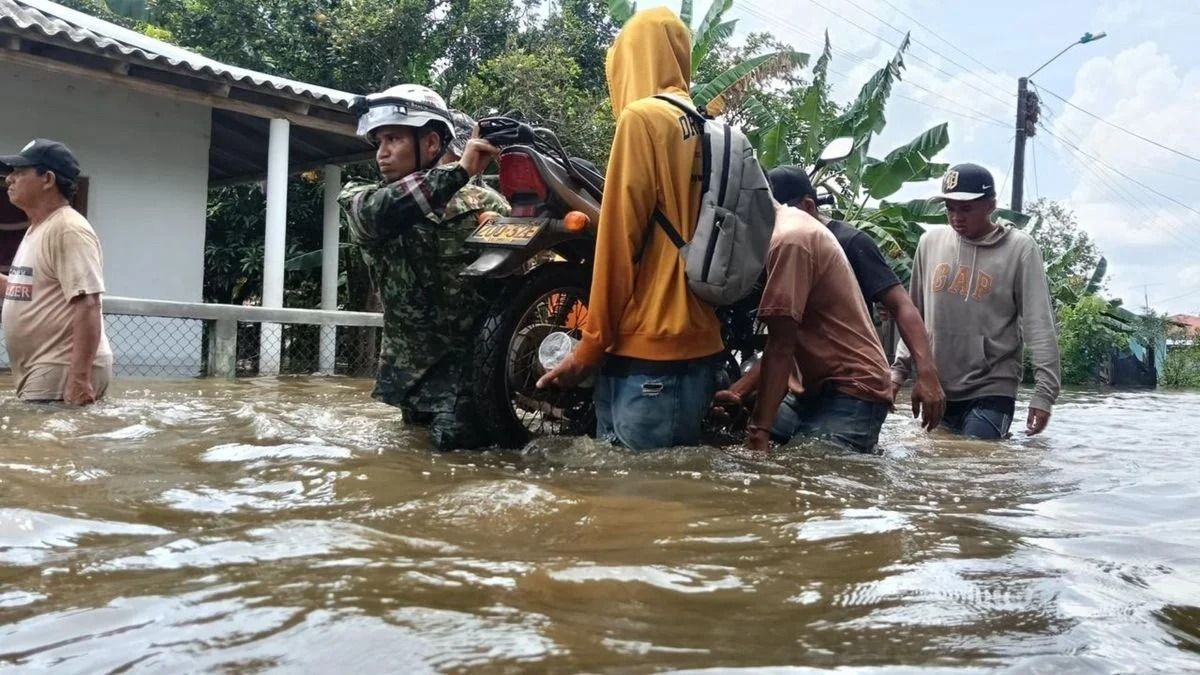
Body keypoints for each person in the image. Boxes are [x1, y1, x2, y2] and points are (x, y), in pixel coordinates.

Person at [536, 7, 724, 451]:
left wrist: (590, 346)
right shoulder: (710, 128)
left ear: (631, 59)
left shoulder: (642, 119)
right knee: (669, 504)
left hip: (646, 351)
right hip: (699, 348)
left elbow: (618, 243)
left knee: (631, 501)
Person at [341, 84, 510, 450]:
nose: (382, 153)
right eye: (379, 142)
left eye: (393, 139)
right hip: (410, 380)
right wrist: (459, 171)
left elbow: (527, 284)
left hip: (472, 379)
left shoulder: (484, 204)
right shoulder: (364, 201)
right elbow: (385, 210)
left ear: (431, 144)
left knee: (452, 470)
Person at [767, 166, 945, 431]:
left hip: (852, 382)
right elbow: (781, 336)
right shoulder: (780, 245)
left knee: (826, 464)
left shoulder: (850, 242)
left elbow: (901, 305)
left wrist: (927, 374)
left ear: (808, 206)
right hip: (806, 384)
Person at [891, 163, 1061, 438]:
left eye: (966, 208)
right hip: (938, 387)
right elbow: (915, 315)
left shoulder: (1020, 249)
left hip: (993, 387)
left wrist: (1044, 395)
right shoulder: (928, 243)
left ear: (990, 205)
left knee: (980, 465)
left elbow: (1038, 324)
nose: (956, 217)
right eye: (950, 208)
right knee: (935, 473)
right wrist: (898, 372)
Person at [717, 203, 895, 453]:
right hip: (808, 390)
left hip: (851, 388)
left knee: (812, 474)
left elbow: (781, 344)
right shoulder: (788, 228)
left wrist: (759, 432)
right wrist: (738, 393)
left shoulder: (789, 240)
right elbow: (783, 345)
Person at [1, 139, 112, 404]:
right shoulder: (38, 229)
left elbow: (88, 303)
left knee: (39, 445)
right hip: (47, 366)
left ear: (47, 179)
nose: (9, 180)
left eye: (19, 172)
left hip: (61, 366)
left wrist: (79, 378)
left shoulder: (68, 229)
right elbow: (23, 289)